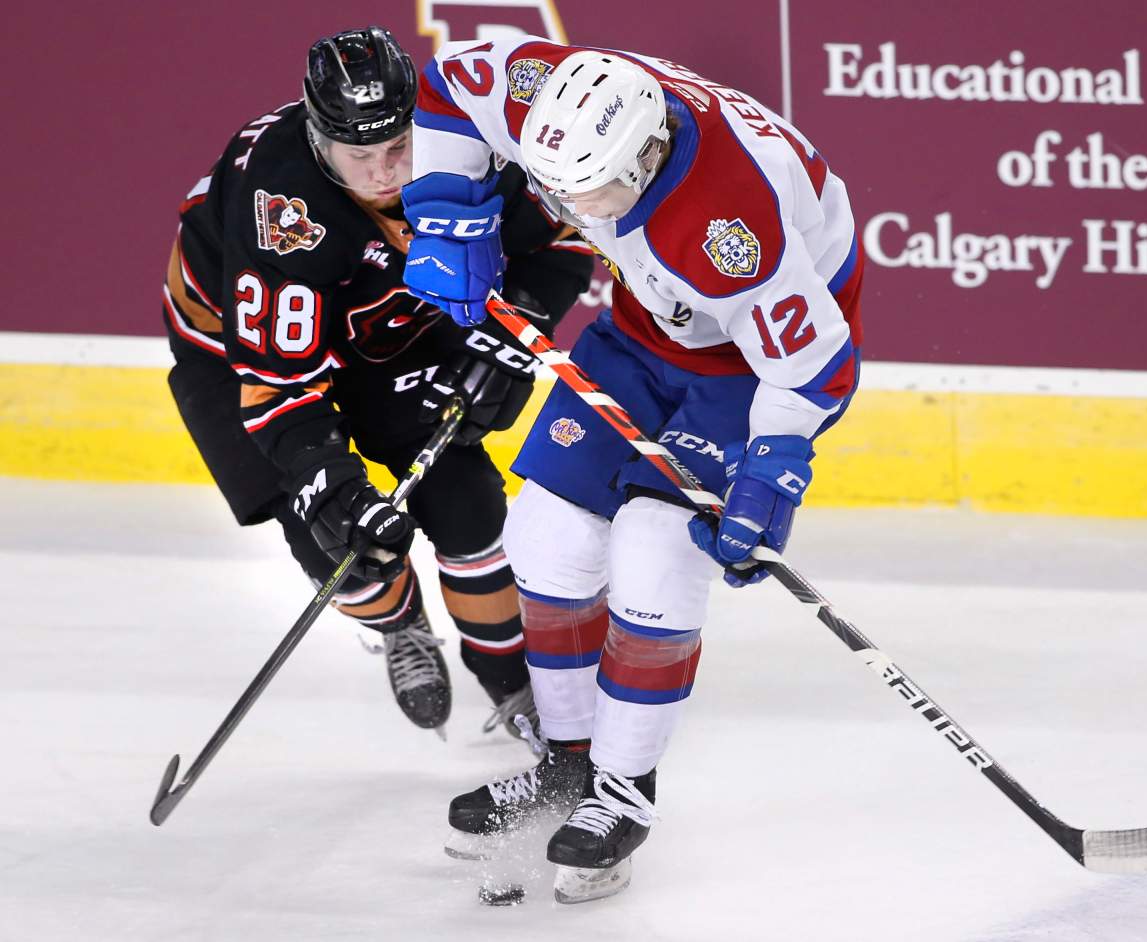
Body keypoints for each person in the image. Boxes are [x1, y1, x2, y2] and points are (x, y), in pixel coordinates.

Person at [399, 39, 865, 901]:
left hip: (750, 366)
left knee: (658, 547)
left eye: (590, 189)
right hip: (645, 332)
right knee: (543, 538)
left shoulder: (728, 229)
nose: (571, 206)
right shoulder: (542, 93)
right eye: (557, 184)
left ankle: (624, 789)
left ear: (648, 156)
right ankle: (568, 764)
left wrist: (770, 470)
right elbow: (445, 81)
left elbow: (817, 364)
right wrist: (443, 210)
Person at [162, 26, 592, 743]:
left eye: (400, 147)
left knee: (467, 503)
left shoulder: (461, 139)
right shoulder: (283, 213)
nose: (387, 173)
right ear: (319, 139)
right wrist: (329, 483)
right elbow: (278, 387)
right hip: (235, 351)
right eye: (360, 156)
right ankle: (401, 625)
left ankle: (516, 686)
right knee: (338, 545)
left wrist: (514, 332)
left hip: (381, 316)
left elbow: (559, 243)